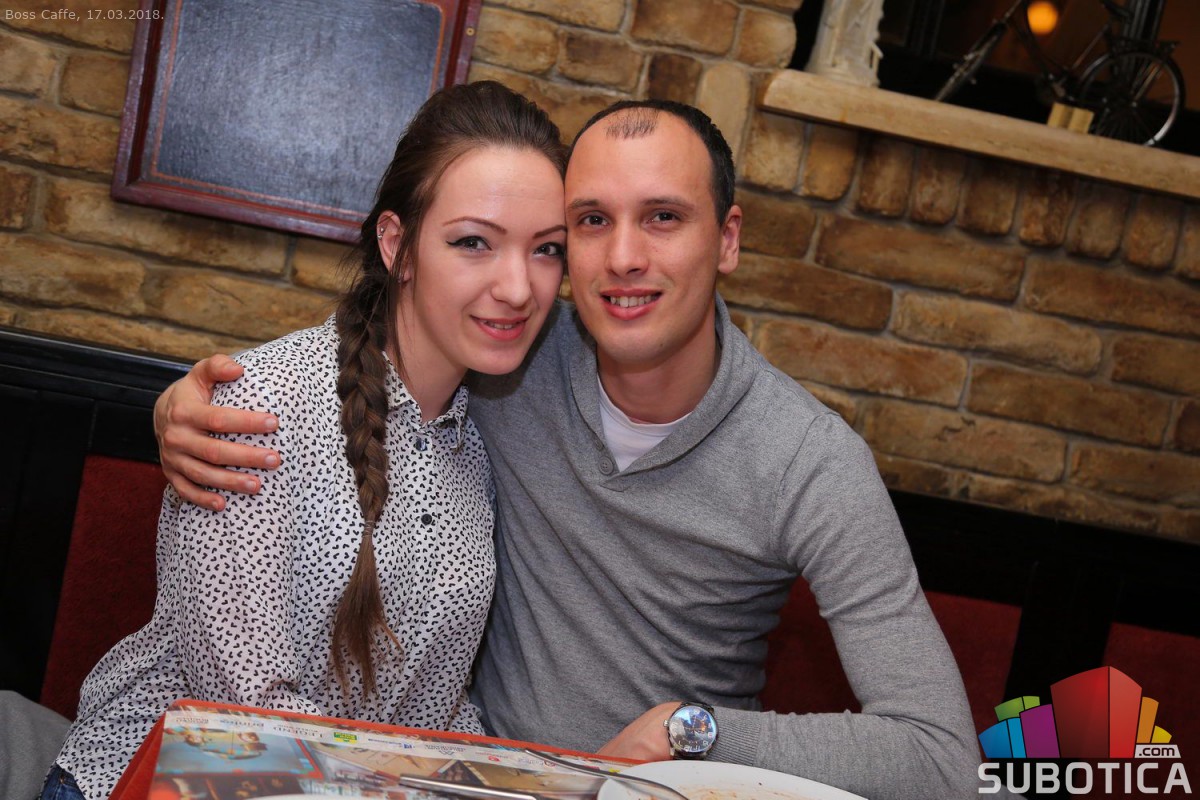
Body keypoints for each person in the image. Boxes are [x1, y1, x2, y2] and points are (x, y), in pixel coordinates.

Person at [154, 99, 981, 799]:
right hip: (452, 780)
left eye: (663, 217)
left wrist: (690, 731)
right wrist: (179, 408)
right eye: (589, 224)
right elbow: (369, 366)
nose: (623, 259)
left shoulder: (811, 461)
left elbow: (942, 758)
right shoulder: (510, 353)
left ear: (727, 240)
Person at [41, 81, 568, 800]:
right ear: (398, 245)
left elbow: (433, 715)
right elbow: (247, 716)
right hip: (165, 779)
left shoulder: (476, 448)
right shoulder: (260, 404)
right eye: (473, 242)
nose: (518, 287)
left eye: (546, 250)